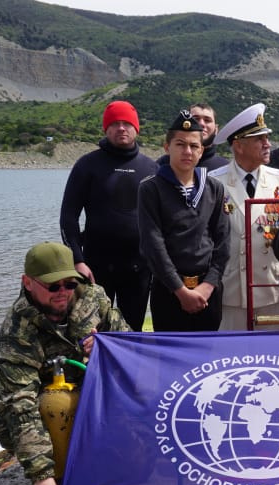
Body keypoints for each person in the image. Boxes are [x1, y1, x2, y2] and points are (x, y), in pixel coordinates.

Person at [0, 242, 129, 485]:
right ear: (27, 283)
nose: (63, 292)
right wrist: (41, 476)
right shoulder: (17, 331)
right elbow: (19, 404)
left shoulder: (94, 298)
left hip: (92, 394)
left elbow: (130, 343)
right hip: (51, 410)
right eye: (53, 286)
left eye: (69, 284)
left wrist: (108, 345)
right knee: (57, 403)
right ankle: (62, 479)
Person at [59, 100, 157, 332]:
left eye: (126, 123)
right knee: (92, 332)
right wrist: (77, 260)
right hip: (96, 268)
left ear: (136, 128)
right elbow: (68, 217)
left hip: (139, 269)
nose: (121, 128)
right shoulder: (87, 165)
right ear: (106, 129)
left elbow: (162, 220)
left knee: (131, 331)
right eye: (114, 124)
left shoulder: (151, 168)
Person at [208, 103, 279, 330]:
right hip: (229, 291)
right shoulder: (214, 182)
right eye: (260, 139)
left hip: (271, 288)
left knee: (270, 350)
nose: (268, 144)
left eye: (267, 138)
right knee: (232, 351)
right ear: (238, 146)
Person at [138, 109, 231, 331]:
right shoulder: (150, 188)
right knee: (170, 351)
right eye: (180, 144)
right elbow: (153, 245)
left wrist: (208, 285)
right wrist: (180, 290)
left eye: (194, 146)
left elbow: (223, 242)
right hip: (169, 291)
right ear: (167, 147)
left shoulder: (214, 188)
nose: (187, 151)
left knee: (208, 352)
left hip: (208, 292)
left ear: (202, 150)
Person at [157, 102, 230, 171]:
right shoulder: (162, 165)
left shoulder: (225, 169)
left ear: (216, 129)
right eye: (196, 119)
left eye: (207, 120)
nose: (201, 124)